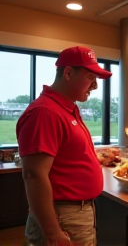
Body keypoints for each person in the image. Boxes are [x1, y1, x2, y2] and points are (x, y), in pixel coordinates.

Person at [16, 46, 112, 246]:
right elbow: (33, 175)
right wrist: (52, 232)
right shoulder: (45, 112)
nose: (95, 86)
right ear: (68, 73)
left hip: (75, 212)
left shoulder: (66, 108)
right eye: (90, 78)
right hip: (62, 215)